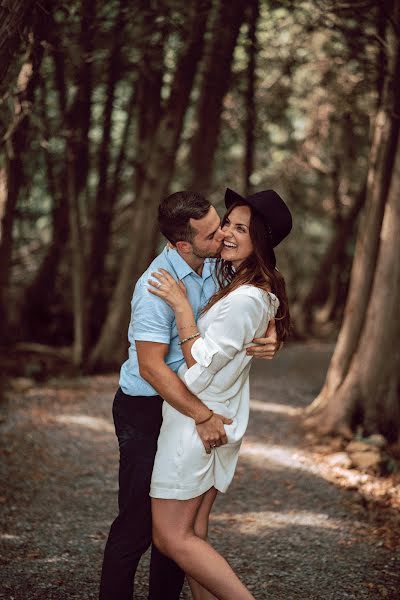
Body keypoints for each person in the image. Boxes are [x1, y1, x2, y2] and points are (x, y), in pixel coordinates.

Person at [99, 191, 280, 600]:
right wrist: (202, 414)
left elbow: (258, 293)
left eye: (225, 225)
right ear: (184, 245)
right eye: (214, 232)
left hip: (186, 407)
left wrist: (274, 333)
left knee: (179, 530)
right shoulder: (156, 287)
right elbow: (152, 367)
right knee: (139, 526)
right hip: (146, 407)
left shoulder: (218, 263)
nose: (223, 237)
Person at [147, 187, 292, 600]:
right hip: (216, 418)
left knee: (172, 538)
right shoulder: (245, 285)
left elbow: (201, 362)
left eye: (240, 228)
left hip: (199, 424)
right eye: (228, 222)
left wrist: (180, 307)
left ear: (258, 241)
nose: (227, 232)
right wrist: (274, 326)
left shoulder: (244, 297)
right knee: (193, 532)